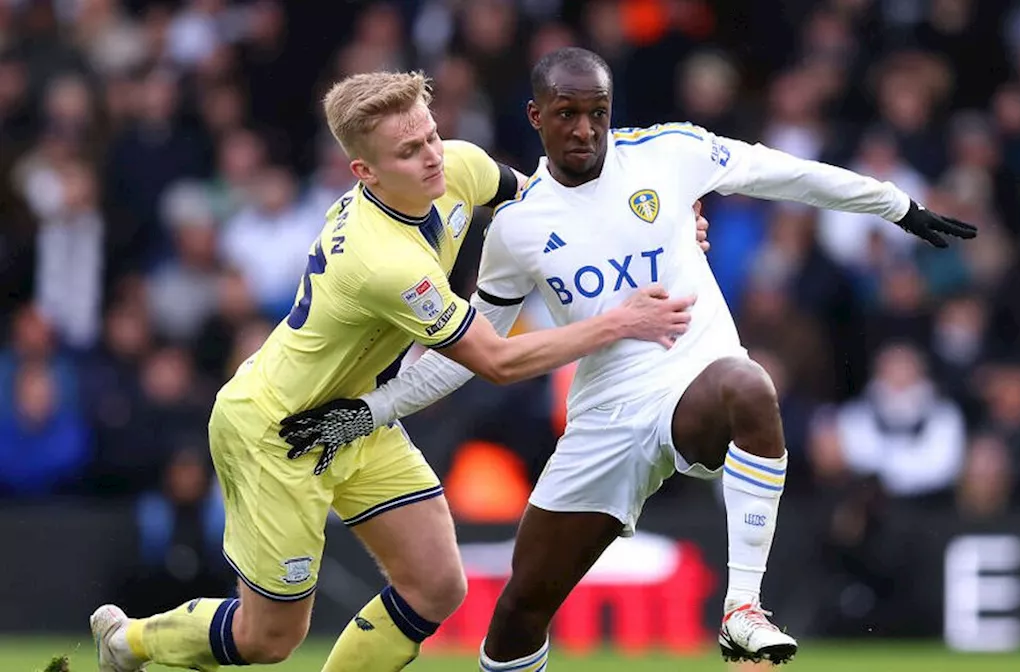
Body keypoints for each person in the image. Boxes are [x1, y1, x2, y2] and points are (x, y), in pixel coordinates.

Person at [280, 48, 976, 669]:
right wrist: (366, 413)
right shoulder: (518, 228)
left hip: (691, 383)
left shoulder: (669, 154)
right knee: (520, 613)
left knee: (749, 386)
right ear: (536, 117)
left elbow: (781, 172)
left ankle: (742, 609)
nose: (585, 129)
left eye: (598, 113)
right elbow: (473, 353)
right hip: (604, 421)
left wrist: (895, 205)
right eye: (567, 114)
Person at [89, 70, 700, 672]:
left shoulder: (458, 164)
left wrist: (659, 225)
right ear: (365, 172)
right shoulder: (383, 262)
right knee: (268, 639)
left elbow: (559, 197)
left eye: (431, 135)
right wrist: (620, 321)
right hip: (277, 431)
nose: (433, 157)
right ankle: (130, 643)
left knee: (436, 586)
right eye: (409, 151)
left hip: (355, 418)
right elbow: (496, 360)